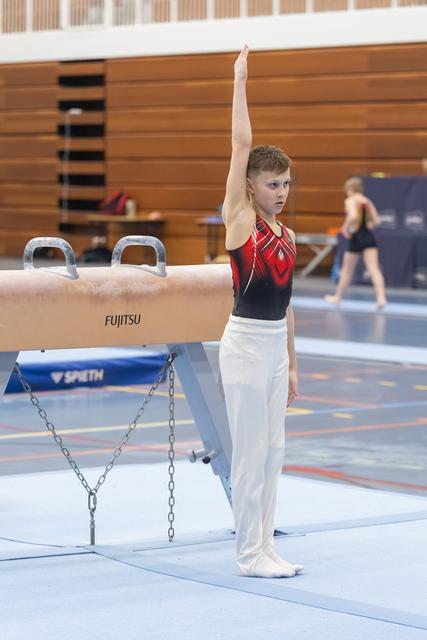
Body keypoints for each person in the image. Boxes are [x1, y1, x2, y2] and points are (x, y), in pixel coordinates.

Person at [218, 45, 303, 579]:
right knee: (250, 455)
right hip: (245, 344)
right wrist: (240, 80)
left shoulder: (288, 236)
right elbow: (241, 143)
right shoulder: (240, 223)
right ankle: (248, 555)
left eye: (287, 183)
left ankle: (266, 545)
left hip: (272, 347)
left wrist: (293, 364)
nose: (281, 192)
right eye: (273, 184)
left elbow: (289, 306)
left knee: (273, 453)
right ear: (250, 187)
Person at [325, 177, 387, 309]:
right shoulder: (367, 201)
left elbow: (353, 216)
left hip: (356, 238)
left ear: (350, 189)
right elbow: (376, 221)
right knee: (374, 269)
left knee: (347, 270)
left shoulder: (350, 200)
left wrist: (345, 228)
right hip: (368, 237)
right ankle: (381, 298)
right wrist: (366, 227)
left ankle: (338, 297)